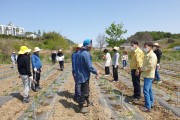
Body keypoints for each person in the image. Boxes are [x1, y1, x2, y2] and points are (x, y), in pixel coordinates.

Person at [75, 39, 99, 113]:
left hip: (80, 74)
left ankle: (87, 101)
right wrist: (96, 72)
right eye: (91, 45)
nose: (92, 46)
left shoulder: (79, 52)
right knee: (84, 91)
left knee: (86, 89)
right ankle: (81, 107)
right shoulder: (86, 54)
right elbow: (90, 67)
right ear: (88, 46)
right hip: (83, 75)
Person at [140, 42, 157, 112]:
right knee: (149, 90)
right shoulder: (148, 54)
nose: (144, 48)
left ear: (150, 47)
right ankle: (151, 103)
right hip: (147, 74)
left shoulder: (152, 56)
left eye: (145, 47)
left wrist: (141, 69)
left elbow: (150, 66)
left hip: (149, 75)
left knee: (145, 90)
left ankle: (147, 107)